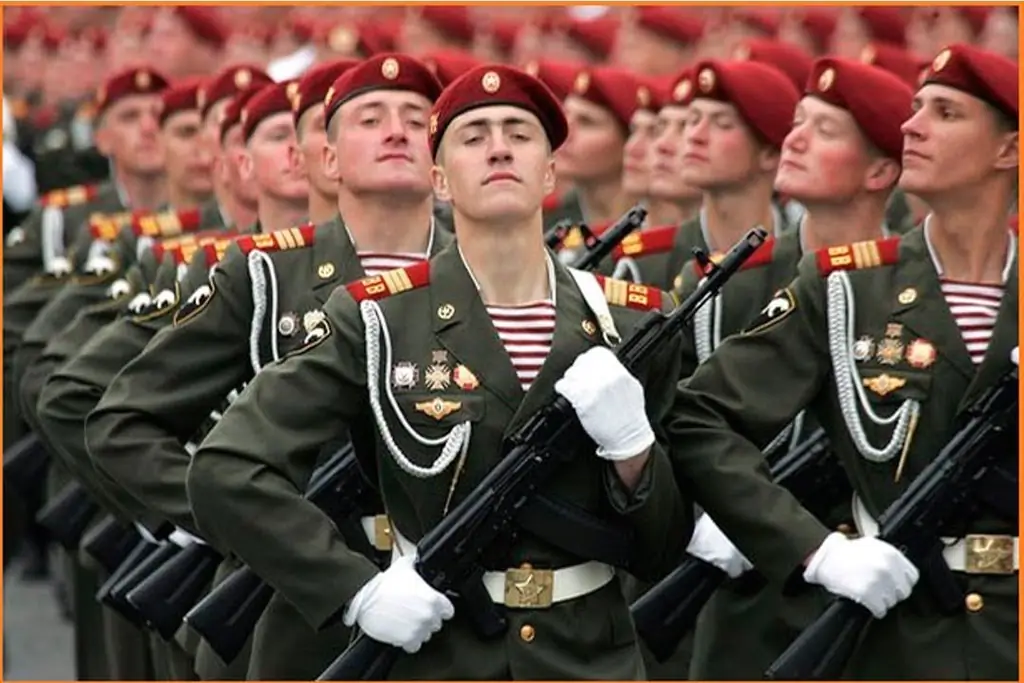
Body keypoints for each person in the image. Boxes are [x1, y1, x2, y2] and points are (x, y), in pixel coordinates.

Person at [183, 63, 689, 680]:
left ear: (551, 172)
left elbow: (663, 546)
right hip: (441, 657)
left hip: (590, 659)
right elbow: (226, 465)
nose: (498, 147)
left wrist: (635, 453)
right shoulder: (379, 317)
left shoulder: (630, 322)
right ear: (440, 180)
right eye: (473, 137)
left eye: (519, 134)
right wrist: (354, 589)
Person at [84, 54, 453, 681]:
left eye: (417, 119)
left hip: (455, 605)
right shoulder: (264, 275)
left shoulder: (484, 280)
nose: (397, 131)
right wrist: (255, 525)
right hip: (294, 615)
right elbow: (123, 422)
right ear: (328, 160)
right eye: (371, 118)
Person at [664, 43, 1017, 679]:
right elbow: (699, 417)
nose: (913, 126)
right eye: (913, 109)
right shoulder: (848, 289)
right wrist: (815, 549)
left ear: (1009, 150)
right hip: (897, 635)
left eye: (945, 112)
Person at [680, 56, 915, 680]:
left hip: (894, 594)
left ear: (882, 170)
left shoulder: (915, 288)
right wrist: (706, 517)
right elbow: (679, 425)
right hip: (748, 601)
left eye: (826, 130)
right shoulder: (725, 285)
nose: (797, 140)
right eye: (797, 123)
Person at [662, 59, 799, 294]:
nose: (695, 135)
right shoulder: (647, 263)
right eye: (693, 120)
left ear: (769, 153)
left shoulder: (800, 263)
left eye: (722, 124)